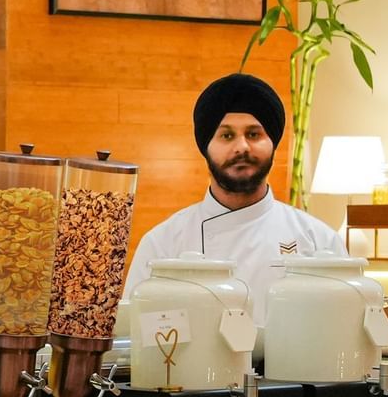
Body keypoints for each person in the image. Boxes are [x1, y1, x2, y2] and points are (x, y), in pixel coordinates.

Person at [124, 72, 348, 324]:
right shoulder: (163, 244)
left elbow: (342, 329)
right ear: (206, 146)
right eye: (226, 135)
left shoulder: (319, 240)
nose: (241, 147)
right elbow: (135, 336)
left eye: (254, 134)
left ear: (272, 143)